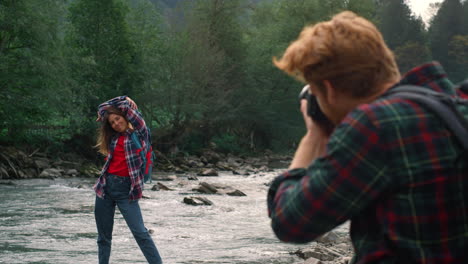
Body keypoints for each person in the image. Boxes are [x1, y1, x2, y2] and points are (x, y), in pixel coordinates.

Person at [267, 11, 468, 263]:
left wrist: (313, 137)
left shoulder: (375, 126)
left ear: (328, 89)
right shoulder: (456, 103)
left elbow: (290, 223)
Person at [93, 96, 162, 264]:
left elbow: (124, 106)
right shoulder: (114, 137)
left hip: (127, 191)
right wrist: (108, 114)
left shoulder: (140, 132)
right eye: (112, 122)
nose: (116, 123)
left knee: (141, 234)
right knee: (103, 238)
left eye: (117, 118)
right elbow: (102, 110)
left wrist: (124, 98)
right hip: (105, 188)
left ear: (124, 116)